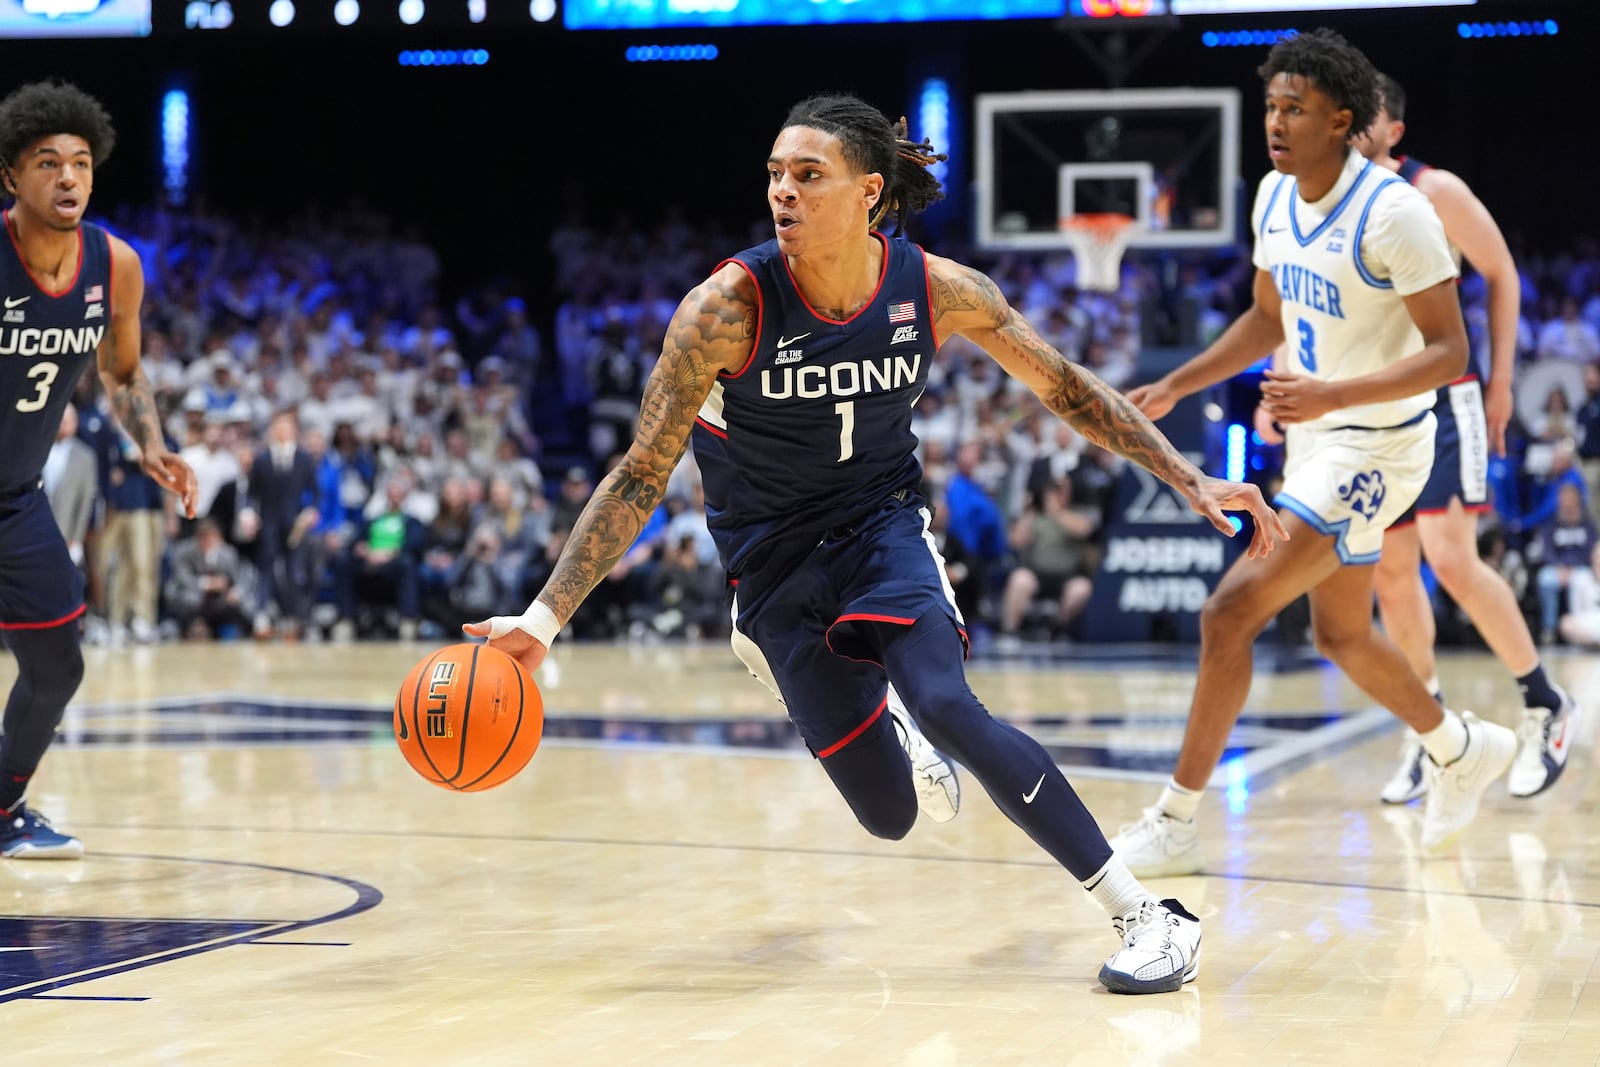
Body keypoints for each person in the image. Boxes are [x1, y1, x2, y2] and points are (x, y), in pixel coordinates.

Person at [465, 92, 1287, 994]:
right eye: (774, 174)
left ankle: (1147, 915)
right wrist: (545, 618)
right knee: (891, 814)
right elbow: (639, 472)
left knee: (947, 702)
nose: (783, 191)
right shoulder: (723, 313)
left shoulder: (936, 289)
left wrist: (1189, 475)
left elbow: (1067, 387)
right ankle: (816, 671)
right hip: (770, 562)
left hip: (880, 526)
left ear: (867, 192)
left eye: (806, 175)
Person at [1110, 30, 1519, 876]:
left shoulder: (1395, 212)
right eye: (1271, 105)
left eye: (1295, 108)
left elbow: (1452, 353)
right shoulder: (1272, 196)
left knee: (1228, 612)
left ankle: (1179, 818)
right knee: (1341, 635)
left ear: (1342, 120)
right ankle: (1458, 746)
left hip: (1381, 443)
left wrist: (1330, 395)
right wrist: (1180, 384)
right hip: (1321, 437)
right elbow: (1267, 320)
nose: (1277, 120)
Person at [1350, 73, 1576, 805]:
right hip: (1386, 405)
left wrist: (1504, 380)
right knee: (1390, 572)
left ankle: (1545, 703)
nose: (1350, 128)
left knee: (1451, 558)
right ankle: (1434, 733)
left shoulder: (1435, 189)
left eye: (1364, 116)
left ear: (1394, 129)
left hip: (1451, 398)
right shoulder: (1334, 202)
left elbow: (1502, 271)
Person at [0, 80, 197, 857]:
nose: (68, 178)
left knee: (57, 664)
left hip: (16, 499)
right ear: (11, 176)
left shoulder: (114, 264)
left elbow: (121, 371)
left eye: (80, 162)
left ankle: (5, 808)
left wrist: (149, 442)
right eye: (47, 163)